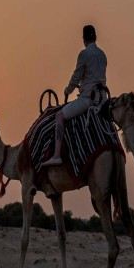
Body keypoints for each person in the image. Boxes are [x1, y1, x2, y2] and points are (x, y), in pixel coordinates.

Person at [43, 24, 107, 167]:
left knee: (59, 116)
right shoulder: (102, 55)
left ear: (84, 39)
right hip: (102, 100)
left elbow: (76, 77)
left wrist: (68, 90)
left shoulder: (84, 54)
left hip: (87, 100)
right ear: (95, 37)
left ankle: (56, 155)